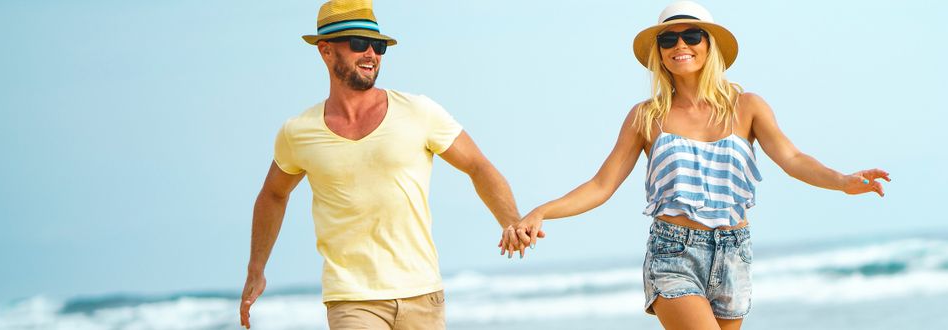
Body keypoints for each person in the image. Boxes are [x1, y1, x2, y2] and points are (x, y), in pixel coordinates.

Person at [499, 2, 890, 329]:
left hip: (735, 252)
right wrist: (541, 211)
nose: (679, 45)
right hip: (674, 253)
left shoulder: (747, 106)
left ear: (709, 45)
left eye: (691, 36)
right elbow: (602, 185)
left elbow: (791, 158)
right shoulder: (646, 117)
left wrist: (842, 181)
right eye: (668, 39)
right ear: (659, 53)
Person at [240, 0, 525, 328]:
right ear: (325, 50)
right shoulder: (299, 131)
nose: (371, 54)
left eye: (378, 46)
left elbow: (477, 165)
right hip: (351, 298)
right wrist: (256, 269)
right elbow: (274, 194)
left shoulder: (419, 112)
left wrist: (511, 220)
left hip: (423, 294)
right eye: (359, 44)